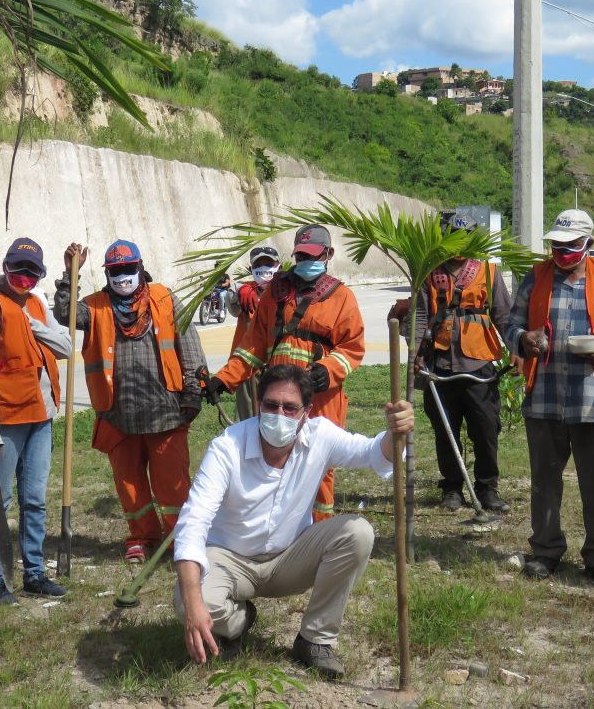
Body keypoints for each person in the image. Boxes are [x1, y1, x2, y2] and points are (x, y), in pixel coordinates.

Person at [174, 365, 414, 680]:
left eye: (290, 408)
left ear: (307, 412)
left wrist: (395, 432)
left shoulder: (320, 436)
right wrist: (193, 601)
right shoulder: (227, 447)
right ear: (258, 405)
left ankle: (315, 640)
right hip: (229, 558)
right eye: (271, 405)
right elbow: (194, 519)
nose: (279, 414)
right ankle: (238, 621)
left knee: (357, 532)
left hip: (289, 557)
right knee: (187, 601)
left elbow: (371, 453)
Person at [505, 209, 594, 592]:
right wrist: (522, 339)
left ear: (588, 245)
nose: (562, 252)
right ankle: (545, 550)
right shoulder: (536, 277)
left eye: (570, 246)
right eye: (556, 246)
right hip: (545, 396)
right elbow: (510, 324)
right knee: (545, 480)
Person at [54, 239, 206, 564]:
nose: (122, 276)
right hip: (117, 414)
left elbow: (189, 345)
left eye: (127, 269)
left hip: (166, 412)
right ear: (107, 273)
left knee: (173, 485)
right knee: (130, 485)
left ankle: (183, 540)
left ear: (140, 267)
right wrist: (71, 273)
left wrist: (193, 391)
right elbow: (64, 314)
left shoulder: (164, 299)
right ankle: (142, 537)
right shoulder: (95, 307)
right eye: (115, 271)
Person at [205, 225, 365, 521]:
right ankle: (277, 532)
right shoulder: (276, 294)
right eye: (301, 255)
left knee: (319, 467)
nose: (306, 261)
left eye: (313, 255)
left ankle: (318, 534)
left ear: (328, 255)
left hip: (321, 398)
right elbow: (253, 347)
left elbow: (352, 347)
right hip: (279, 397)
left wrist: (327, 371)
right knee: (273, 463)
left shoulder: (341, 297)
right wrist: (223, 379)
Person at [0, 237, 72, 604]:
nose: (25, 278)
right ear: (5, 266)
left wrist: (33, 324)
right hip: (6, 422)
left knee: (35, 499)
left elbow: (67, 348)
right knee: (0, 501)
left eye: (32, 272)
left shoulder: (35, 307)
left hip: (40, 416)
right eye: (19, 270)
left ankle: (34, 573)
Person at [412, 212, 521, 513]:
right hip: (440, 363)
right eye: (452, 236)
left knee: (486, 428)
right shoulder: (430, 272)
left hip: (479, 363)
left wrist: (515, 348)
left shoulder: (488, 271)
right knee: (445, 429)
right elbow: (421, 315)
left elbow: (504, 313)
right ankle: (452, 488)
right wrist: (415, 354)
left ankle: (488, 488)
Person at [225, 246, 282, 420]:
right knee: (249, 418)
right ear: (251, 269)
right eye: (259, 264)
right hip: (247, 366)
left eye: (268, 263)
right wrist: (241, 290)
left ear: (278, 265)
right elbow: (233, 306)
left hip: (277, 365)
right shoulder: (243, 292)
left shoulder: (285, 291)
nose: (264, 268)